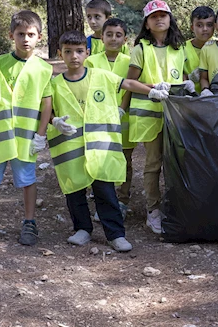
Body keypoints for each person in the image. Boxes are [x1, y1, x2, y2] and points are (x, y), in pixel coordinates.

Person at [49, 31, 170, 252]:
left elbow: (128, 84)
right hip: (71, 150)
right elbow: (46, 110)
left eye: (78, 51)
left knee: (105, 191)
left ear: (87, 52)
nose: (73, 56)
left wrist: (152, 91)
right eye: (67, 52)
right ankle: (82, 229)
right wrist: (54, 121)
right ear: (60, 54)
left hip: (100, 149)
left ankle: (115, 234)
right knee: (74, 191)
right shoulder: (55, 84)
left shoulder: (100, 76)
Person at [0, 10, 53, 246]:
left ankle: (29, 222)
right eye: (20, 34)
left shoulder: (43, 69)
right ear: (11, 35)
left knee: (27, 178)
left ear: (39, 37)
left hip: (26, 137)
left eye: (30, 34)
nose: (25, 39)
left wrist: (41, 134)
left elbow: (46, 104)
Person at [125, 0, 193, 234]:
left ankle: (175, 206)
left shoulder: (178, 48)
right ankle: (153, 210)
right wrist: (152, 88)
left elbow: (183, 76)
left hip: (175, 117)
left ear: (170, 19)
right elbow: (130, 82)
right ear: (147, 22)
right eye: (154, 16)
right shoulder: (141, 48)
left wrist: (189, 84)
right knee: (154, 164)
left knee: (176, 163)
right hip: (149, 116)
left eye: (163, 15)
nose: (159, 19)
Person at [84, 18, 136, 218]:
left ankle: (122, 200)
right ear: (102, 37)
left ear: (125, 39)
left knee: (125, 159)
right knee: (101, 159)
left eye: (118, 35)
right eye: (109, 34)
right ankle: (104, 201)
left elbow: (131, 87)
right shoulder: (92, 61)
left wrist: (122, 108)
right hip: (100, 121)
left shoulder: (130, 61)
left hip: (124, 119)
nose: (113, 39)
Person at [185, 6, 216, 91]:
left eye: (209, 25)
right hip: (190, 99)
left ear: (215, 26)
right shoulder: (182, 49)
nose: (205, 29)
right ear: (192, 28)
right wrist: (189, 78)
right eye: (199, 25)